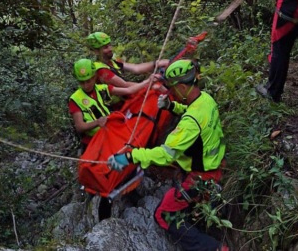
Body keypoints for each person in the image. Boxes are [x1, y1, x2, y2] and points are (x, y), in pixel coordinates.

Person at [107, 59, 229, 251]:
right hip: (214, 163)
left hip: (203, 175)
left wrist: (130, 156)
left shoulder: (190, 122)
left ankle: (214, 248)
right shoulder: (205, 99)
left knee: (163, 215)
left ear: (181, 87)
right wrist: (170, 106)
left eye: (172, 89)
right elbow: (190, 109)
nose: (170, 92)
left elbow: (166, 154)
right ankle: (202, 206)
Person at [69, 58, 152, 152]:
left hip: (110, 130)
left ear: (94, 77)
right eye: (82, 82)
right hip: (93, 139)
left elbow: (128, 90)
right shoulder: (75, 99)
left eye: (88, 81)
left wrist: (147, 82)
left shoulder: (102, 89)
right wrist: (97, 122)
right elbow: (80, 127)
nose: (86, 85)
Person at [86, 32, 170, 89]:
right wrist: (150, 85)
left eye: (109, 45)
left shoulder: (113, 61)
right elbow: (125, 85)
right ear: (96, 51)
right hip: (119, 107)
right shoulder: (101, 70)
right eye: (105, 47)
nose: (110, 49)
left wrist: (157, 63)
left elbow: (135, 68)